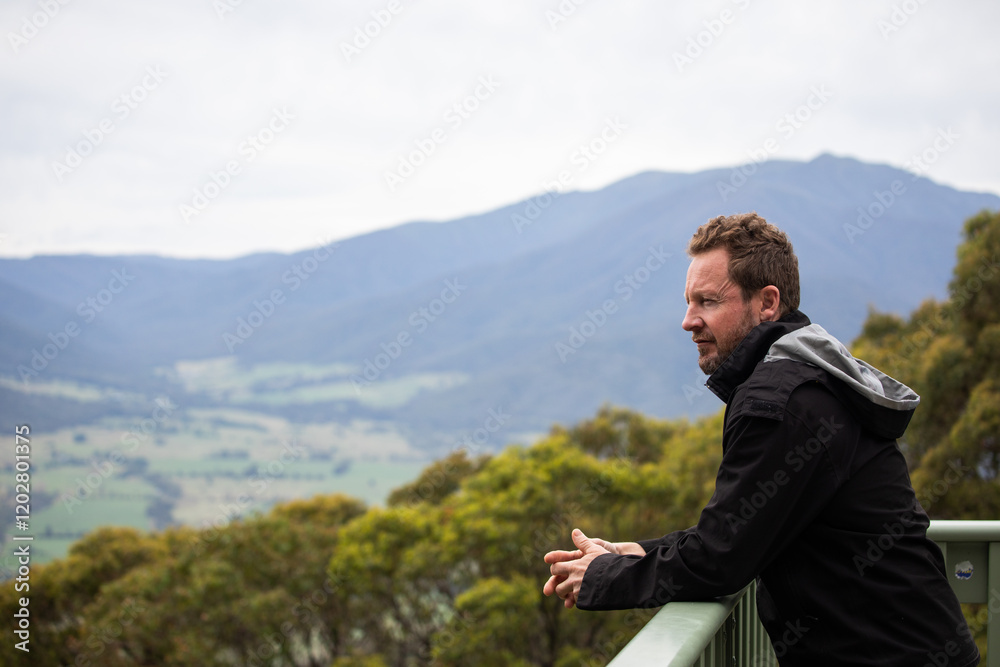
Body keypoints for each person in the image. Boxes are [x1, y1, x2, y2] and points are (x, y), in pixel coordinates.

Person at [543, 213, 979, 666]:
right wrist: (630, 553)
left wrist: (605, 577)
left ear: (767, 302)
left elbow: (720, 558)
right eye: (688, 302)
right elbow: (739, 529)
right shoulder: (803, 379)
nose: (688, 321)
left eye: (708, 302)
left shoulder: (780, 401)